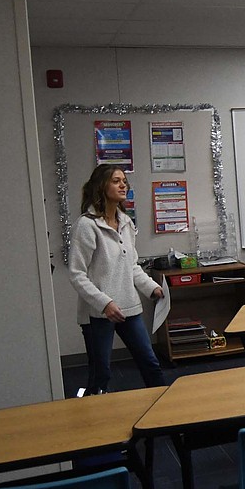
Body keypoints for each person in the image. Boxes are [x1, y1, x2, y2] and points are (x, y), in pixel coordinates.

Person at [69, 164, 166, 392]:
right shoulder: (87, 225)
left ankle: (167, 415)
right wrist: (105, 304)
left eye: (124, 180)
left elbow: (131, 265)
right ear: (101, 186)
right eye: (115, 181)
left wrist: (152, 288)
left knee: (150, 364)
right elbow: (77, 274)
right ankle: (92, 419)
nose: (123, 185)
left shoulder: (126, 222)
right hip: (98, 314)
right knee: (101, 373)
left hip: (129, 308)